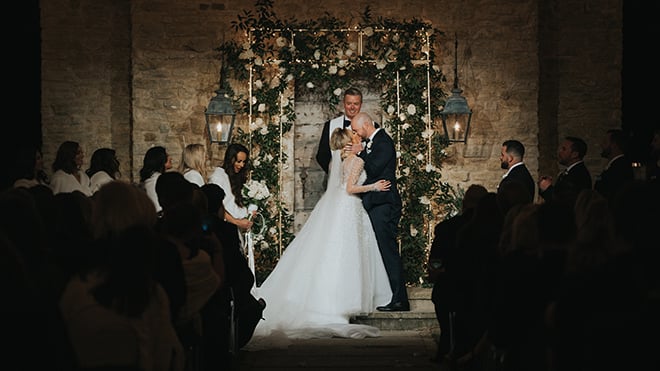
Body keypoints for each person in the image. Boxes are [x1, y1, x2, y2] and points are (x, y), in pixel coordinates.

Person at [248, 127, 392, 342]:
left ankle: (330, 303)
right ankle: (340, 304)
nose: (357, 137)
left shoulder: (338, 162)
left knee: (334, 254)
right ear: (347, 143)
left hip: (339, 208)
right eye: (353, 136)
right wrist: (374, 186)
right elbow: (350, 189)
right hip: (350, 207)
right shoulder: (357, 161)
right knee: (346, 256)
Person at [349, 112, 410, 312]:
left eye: (357, 129)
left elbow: (374, 169)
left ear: (366, 125)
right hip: (376, 203)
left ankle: (400, 299)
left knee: (389, 251)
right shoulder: (373, 143)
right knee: (383, 251)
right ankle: (391, 295)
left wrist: (360, 152)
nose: (355, 133)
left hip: (385, 204)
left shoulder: (384, 142)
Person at [427, 184, 488, 365]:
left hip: (452, 286)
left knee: (444, 295)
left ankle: (447, 343)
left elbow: (435, 260)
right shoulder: (492, 230)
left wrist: (438, 272)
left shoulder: (447, 228)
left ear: (464, 203)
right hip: (480, 287)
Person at [208, 143, 255, 249]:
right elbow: (217, 207)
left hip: (233, 228)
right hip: (222, 229)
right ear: (231, 159)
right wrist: (237, 222)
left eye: (244, 162)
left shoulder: (234, 177)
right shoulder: (218, 177)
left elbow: (233, 204)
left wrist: (248, 214)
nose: (241, 165)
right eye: (239, 161)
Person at [316, 87, 365, 174]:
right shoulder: (330, 125)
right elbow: (322, 155)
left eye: (356, 104)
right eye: (349, 103)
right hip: (337, 179)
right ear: (343, 104)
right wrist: (335, 173)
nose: (352, 107)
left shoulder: (371, 125)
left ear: (361, 104)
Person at [538, 136, 592, 207]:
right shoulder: (571, 171)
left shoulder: (578, 175)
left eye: (564, 149)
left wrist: (547, 189)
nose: (559, 152)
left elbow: (564, 203)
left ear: (575, 154)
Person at [594, 129, 634, 200]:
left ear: (614, 145)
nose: (601, 145)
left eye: (605, 142)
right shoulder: (614, 165)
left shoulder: (620, 167)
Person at [498, 139, 535, 204]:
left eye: (502, 155)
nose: (500, 158)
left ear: (510, 158)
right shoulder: (522, 173)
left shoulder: (513, 179)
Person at [138, 146, 172, 213]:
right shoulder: (154, 180)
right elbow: (157, 207)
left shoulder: (155, 178)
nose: (170, 158)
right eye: (167, 156)